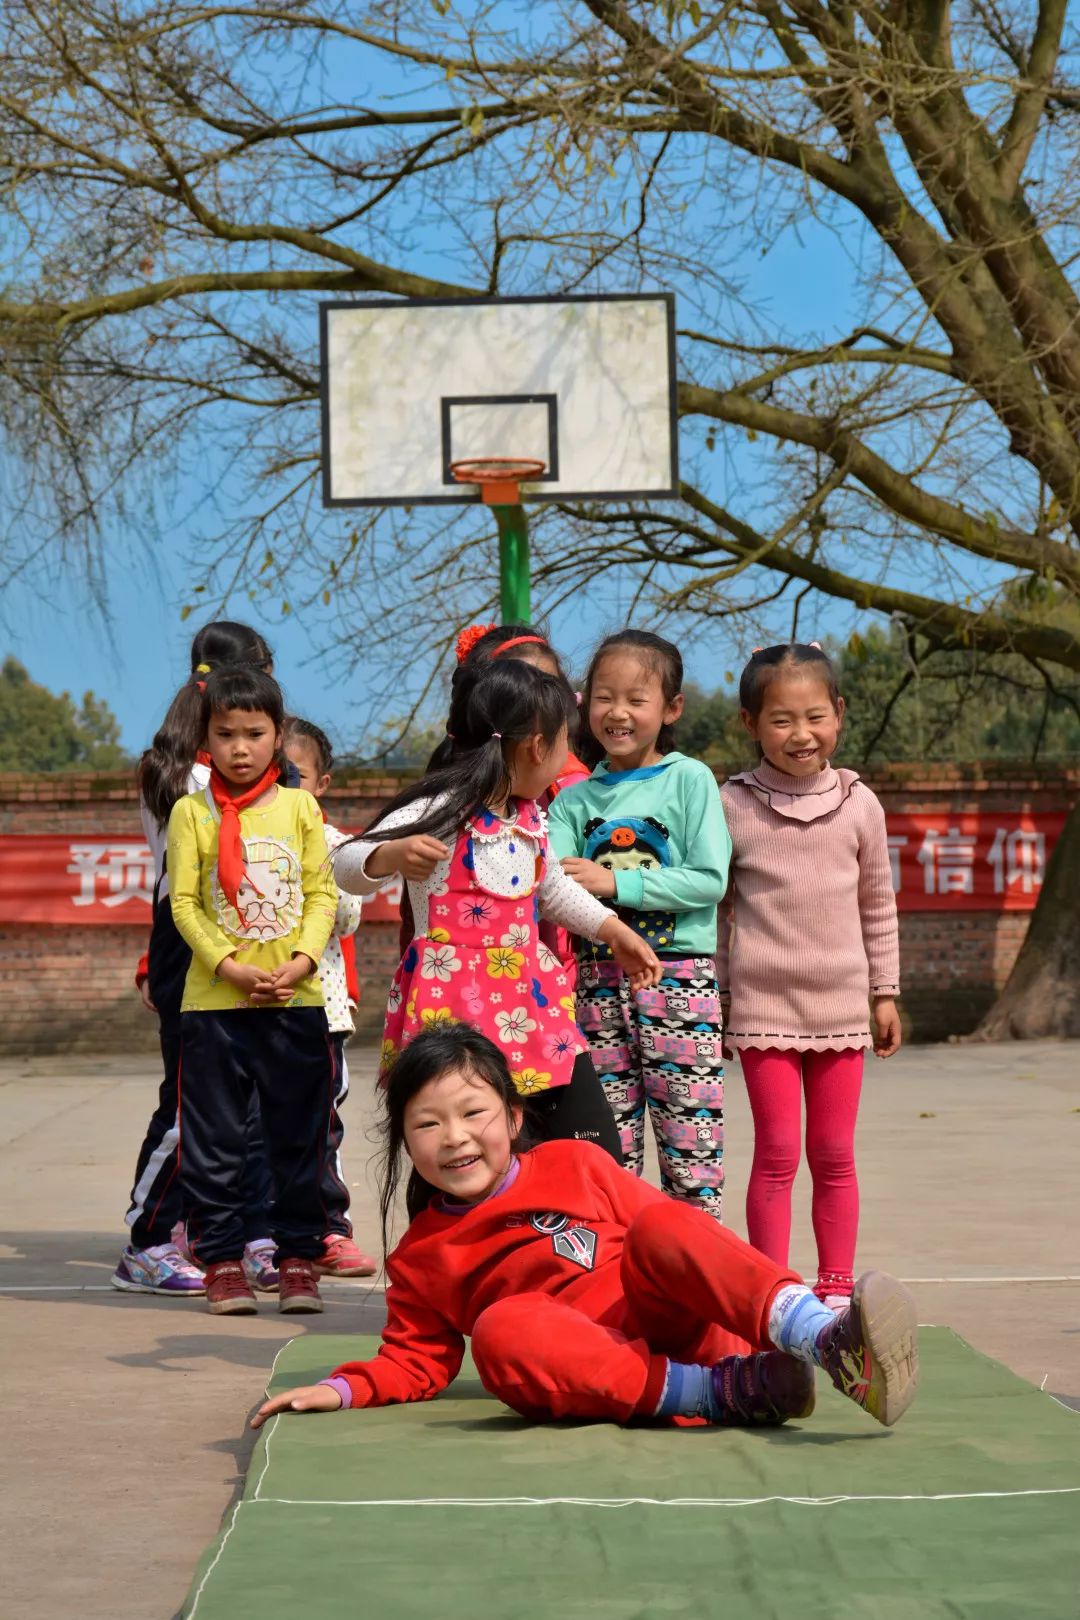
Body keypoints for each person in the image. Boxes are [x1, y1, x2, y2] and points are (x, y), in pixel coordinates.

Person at [251, 1026, 919, 1433]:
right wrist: (340, 1389)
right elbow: (414, 1361)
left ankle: (825, 1341)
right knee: (502, 1331)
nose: (453, 1139)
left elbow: (684, 1251)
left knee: (664, 1220)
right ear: (406, 1142)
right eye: (427, 1125)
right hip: (611, 1373)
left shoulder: (575, 1161)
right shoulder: (422, 1257)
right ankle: (729, 1394)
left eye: (472, 1114)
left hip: (684, 1324)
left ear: (514, 1118)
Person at [333, 657, 661, 1158]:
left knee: (590, 1148)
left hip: (532, 1006)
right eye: (564, 743)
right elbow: (344, 864)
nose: (564, 756)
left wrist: (613, 930)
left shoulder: (530, 818)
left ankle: (567, 1226)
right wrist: (389, 853)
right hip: (450, 1015)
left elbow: (552, 890)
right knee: (464, 1151)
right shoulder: (436, 809)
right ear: (537, 745)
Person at [718, 642, 902, 1310]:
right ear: (749, 724)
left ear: (840, 715)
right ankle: (772, 1290)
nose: (801, 734)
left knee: (832, 1152)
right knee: (775, 1154)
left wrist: (885, 993)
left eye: (815, 716)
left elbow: (877, 904)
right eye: (781, 720)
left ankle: (832, 1287)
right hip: (763, 1010)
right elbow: (716, 911)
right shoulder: (731, 805)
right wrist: (718, 1001)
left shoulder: (860, 804)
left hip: (843, 1009)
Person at [167, 664, 340, 1315]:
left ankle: (298, 1258)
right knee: (214, 1145)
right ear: (205, 737)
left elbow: (322, 894)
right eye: (227, 734)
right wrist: (228, 966)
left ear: (277, 736)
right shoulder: (192, 813)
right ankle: (222, 1262)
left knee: (299, 1138)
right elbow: (184, 906)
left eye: (255, 733)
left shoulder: (301, 808)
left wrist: (301, 961)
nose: (241, 748)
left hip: (294, 1003)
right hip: (215, 1007)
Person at [112, 620, 278, 1297]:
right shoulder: (186, 772)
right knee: (193, 1100)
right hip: (196, 932)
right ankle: (147, 1240)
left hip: (239, 930)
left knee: (245, 1097)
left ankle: (200, 1228)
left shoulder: (192, 762)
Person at [547, 630, 730, 1219]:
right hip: (596, 985)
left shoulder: (690, 780)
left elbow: (708, 880)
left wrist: (615, 884)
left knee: (691, 1148)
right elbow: (550, 885)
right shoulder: (571, 801)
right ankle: (616, 1281)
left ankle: (701, 1282)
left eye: (635, 699)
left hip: (680, 981)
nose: (617, 713)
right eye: (604, 697)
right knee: (607, 1151)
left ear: (671, 709)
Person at [283, 716, 377, 1277]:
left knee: (320, 1124)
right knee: (254, 1125)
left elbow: (345, 915)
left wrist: (308, 851)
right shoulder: (244, 834)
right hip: (257, 1006)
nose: (289, 785)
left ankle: (328, 1229)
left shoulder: (337, 843)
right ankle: (261, 1234)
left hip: (323, 1009)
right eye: (280, 774)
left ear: (322, 783)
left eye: (299, 775)